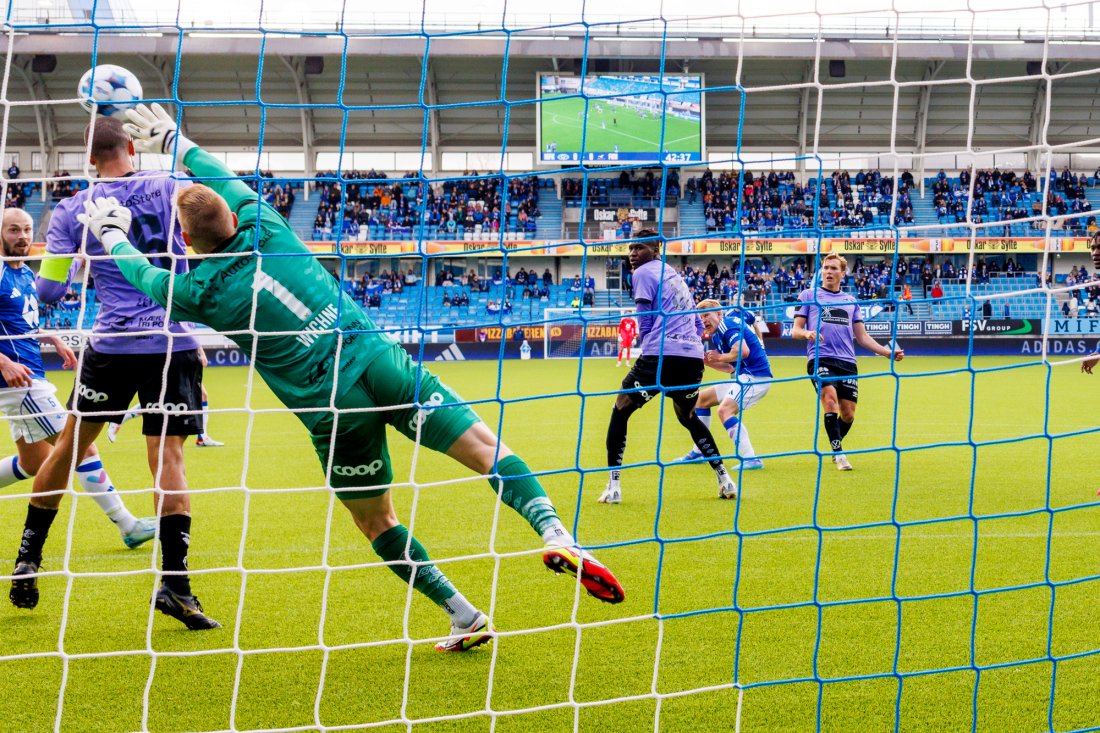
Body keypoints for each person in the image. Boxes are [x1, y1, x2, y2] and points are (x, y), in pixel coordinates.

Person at [88, 103, 625, 651]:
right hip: (379, 361)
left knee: (376, 519)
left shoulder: (200, 292)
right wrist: (175, 142)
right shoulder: (265, 222)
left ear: (185, 241)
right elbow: (218, 177)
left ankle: (462, 613)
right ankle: (554, 531)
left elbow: (144, 276)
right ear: (235, 214)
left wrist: (113, 237)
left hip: (333, 410)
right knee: (487, 448)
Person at [12, 115, 211, 629]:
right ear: (129, 145)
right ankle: (176, 585)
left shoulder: (71, 209)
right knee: (167, 458)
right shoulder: (170, 188)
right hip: (171, 341)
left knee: (70, 446)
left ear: (89, 157)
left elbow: (51, 293)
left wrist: (79, 261)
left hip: (112, 344)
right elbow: (208, 233)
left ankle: (27, 558)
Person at [0, 209, 155, 567]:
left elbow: (19, 319)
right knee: (79, 445)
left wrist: (52, 336)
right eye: (13, 230)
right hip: (19, 380)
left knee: (33, 462)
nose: (22, 236)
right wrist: (4, 363)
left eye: (26, 229)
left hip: (28, 376)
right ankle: (127, 524)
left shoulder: (24, 272)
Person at [599, 229, 738, 503]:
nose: (633, 254)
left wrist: (655, 343)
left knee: (621, 408)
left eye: (639, 248)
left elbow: (646, 320)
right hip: (690, 360)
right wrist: (686, 344)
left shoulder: (642, 273)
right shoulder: (675, 276)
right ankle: (725, 478)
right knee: (687, 417)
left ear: (655, 250)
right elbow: (698, 325)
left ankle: (614, 487)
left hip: (660, 356)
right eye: (631, 249)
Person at [791, 253, 904, 471]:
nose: (829, 272)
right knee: (830, 400)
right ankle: (839, 454)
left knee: (848, 414)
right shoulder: (808, 295)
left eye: (834, 268)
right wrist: (807, 334)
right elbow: (795, 330)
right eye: (825, 268)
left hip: (847, 362)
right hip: (820, 358)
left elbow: (862, 337)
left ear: (843, 274)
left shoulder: (851, 302)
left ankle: (836, 443)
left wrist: (886, 353)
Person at [678, 299, 772, 469]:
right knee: (701, 400)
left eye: (707, 315)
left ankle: (751, 458)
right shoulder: (718, 334)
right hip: (743, 376)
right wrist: (708, 361)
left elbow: (743, 352)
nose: (704, 320)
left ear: (719, 314)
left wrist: (719, 356)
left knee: (724, 411)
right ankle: (699, 451)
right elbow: (730, 367)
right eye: (700, 318)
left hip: (755, 377)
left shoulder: (726, 325)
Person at [106, 347, 225, 447]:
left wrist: (200, 352)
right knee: (160, 401)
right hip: (171, 355)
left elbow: (189, 330)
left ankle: (202, 437)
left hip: (183, 354)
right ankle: (119, 419)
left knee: (202, 395)